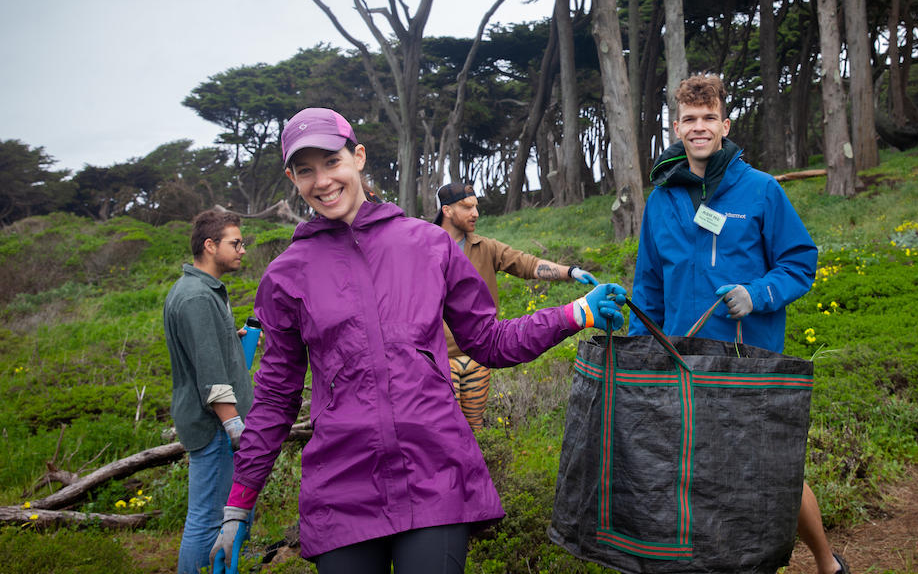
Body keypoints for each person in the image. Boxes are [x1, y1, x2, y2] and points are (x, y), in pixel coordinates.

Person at [208, 107, 626, 573]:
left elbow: (487, 340)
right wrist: (238, 503)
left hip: (435, 471)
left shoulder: (428, 245)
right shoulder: (287, 275)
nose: (322, 180)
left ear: (358, 156)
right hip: (341, 486)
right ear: (292, 177)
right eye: (306, 170)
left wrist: (575, 313)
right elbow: (274, 398)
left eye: (331, 162)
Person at [627, 75, 847, 574]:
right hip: (684, 361)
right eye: (689, 119)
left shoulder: (762, 190)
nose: (699, 127)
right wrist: (642, 349)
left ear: (724, 125)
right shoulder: (661, 200)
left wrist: (759, 293)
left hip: (750, 360)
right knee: (697, 474)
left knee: (772, 469)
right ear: (676, 127)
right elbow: (649, 288)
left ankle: (827, 562)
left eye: (709, 118)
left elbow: (800, 262)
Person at [434, 181, 598, 430]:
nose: (475, 213)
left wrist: (570, 271)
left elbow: (526, 263)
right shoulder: (423, 248)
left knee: (475, 430)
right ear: (446, 211)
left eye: (476, 206)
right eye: (466, 207)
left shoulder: (485, 247)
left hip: (479, 357)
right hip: (438, 360)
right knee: (444, 432)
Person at [163, 210, 254, 574]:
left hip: (212, 423)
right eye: (235, 243)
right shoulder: (197, 297)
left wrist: (227, 342)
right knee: (209, 520)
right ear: (210, 245)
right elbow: (211, 375)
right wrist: (234, 427)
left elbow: (199, 352)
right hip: (215, 427)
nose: (242, 250)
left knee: (210, 516)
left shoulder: (196, 289)